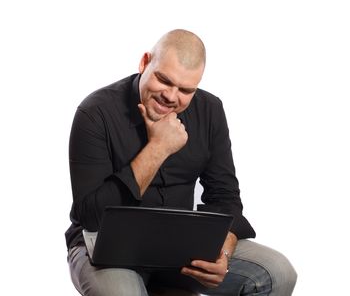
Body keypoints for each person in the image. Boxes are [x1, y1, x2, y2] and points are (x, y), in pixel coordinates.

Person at [65, 29, 297, 296]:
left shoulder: (210, 110)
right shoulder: (95, 112)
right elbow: (91, 216)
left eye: (186, 90)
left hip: (179, 248)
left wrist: (220, 253)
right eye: (164, 80)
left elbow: (225, 198)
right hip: (104, 248)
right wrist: (158, 148)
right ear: (144, 62)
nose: (172, 97)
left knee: (279, 273)